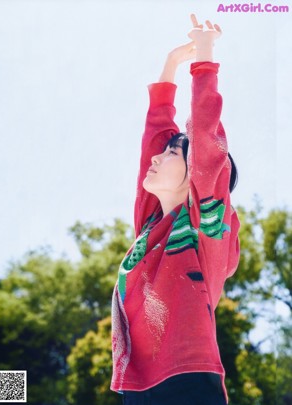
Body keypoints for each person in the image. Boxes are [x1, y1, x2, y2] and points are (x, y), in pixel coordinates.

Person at [110, 13, 240, 405]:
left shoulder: (206, 229)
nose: (156, 158)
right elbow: (156, 132)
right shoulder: (149, 230)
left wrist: (203, 57)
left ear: (193, 174)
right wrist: (169, 66)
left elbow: (204, 142)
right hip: (136, 387)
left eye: (171, 154)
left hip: (186, 380)